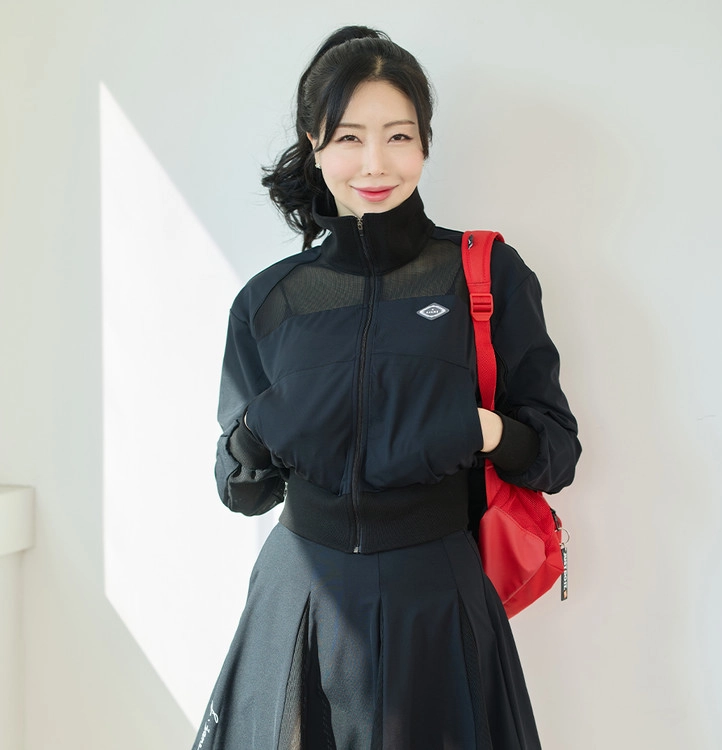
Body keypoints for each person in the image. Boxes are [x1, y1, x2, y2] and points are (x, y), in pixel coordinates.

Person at [193, 25, 581, 750]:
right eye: (349, 137)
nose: (375, 162)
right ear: (314, 144)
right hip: (297, 602)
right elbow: (241, 489)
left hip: (438, 600)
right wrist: (259, 429)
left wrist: (482, 428)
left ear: (425, 143)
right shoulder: (268, 301)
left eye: (399, 136)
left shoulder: (486, 277)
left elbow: (556, 453)